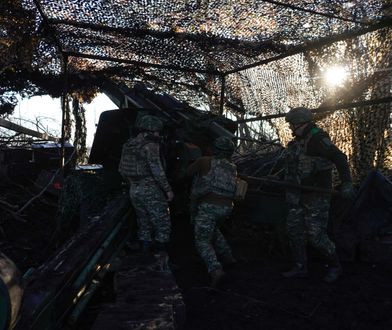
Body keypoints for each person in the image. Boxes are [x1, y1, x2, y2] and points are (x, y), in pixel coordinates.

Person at [282, 107, 356, 283]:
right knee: (295, 232)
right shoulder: (297, 143)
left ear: (303, 123)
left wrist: (346, 183)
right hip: (296, 196)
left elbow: (340, 158)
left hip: (316, 197)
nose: (291, 128)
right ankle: (300, 267)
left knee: (316, 236)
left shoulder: (318, 139)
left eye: (293, 124)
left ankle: (335, 266)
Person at [118, 115, 174, 269]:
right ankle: (160, 263)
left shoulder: (129, 144)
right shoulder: (150, 146)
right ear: (153, 129)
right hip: (150, 189)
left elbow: (121, 169)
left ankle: (144, 259)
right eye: (157, 131)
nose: (158, 134)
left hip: (134, 189)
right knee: (162, 225)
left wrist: (133, 182)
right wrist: (168, 190)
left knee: (144, 224)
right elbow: (157, 170)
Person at [186, 136, 238, 287]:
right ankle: (228, 257)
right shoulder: (232, 167)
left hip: (209, 206)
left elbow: (187, 173)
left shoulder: (204, 161)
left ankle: (215, 270)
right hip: (227, 207)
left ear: (215, 149)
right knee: (213, 229)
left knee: (202, 241)